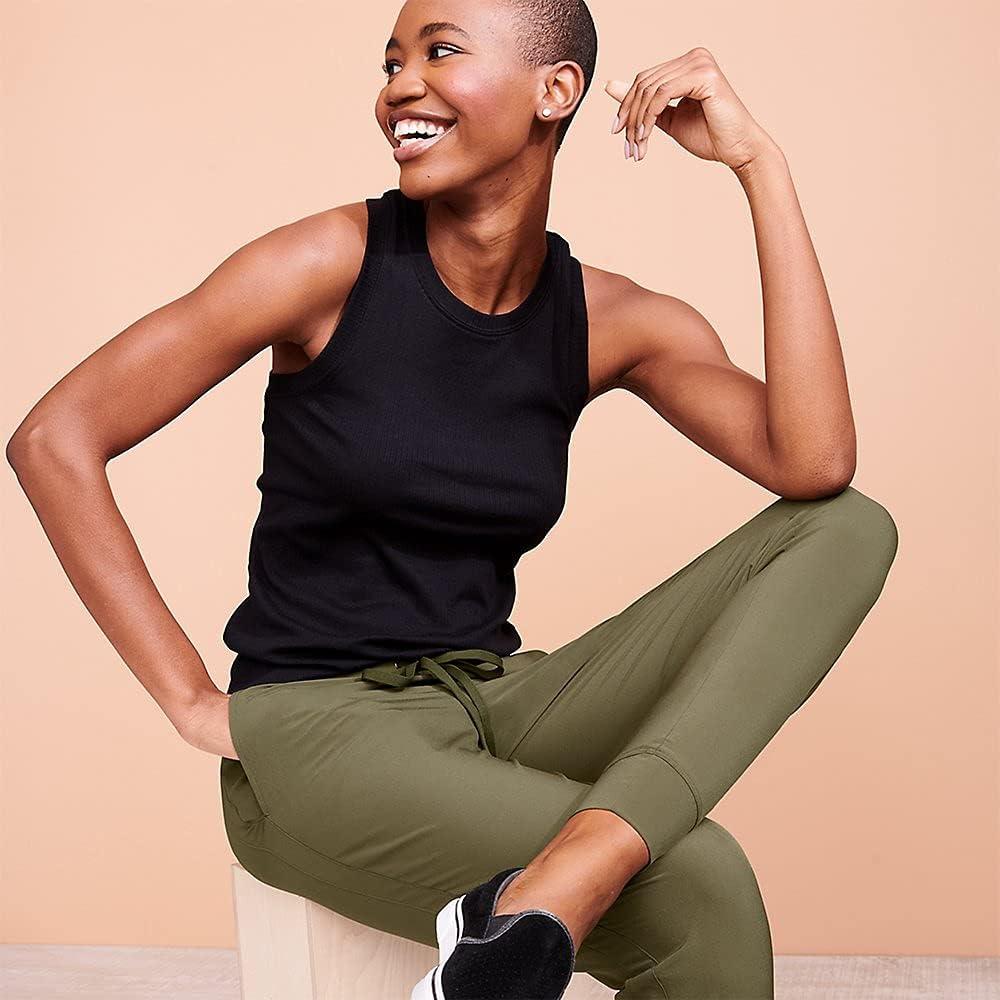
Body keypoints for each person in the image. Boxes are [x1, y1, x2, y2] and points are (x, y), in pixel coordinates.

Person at [6, 2, 899, 998]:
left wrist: (758, 165)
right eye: (391, 62)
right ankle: (565, 881)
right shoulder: (327, 263)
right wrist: (188, 701)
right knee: (701, 877)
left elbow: (813, 463)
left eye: (440, 51)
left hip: (489, 698)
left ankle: (568, 873)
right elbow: (55, 437)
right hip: (320, 732)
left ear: (554, 91)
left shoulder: (612, 318)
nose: (400, 86)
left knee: (846, 528)